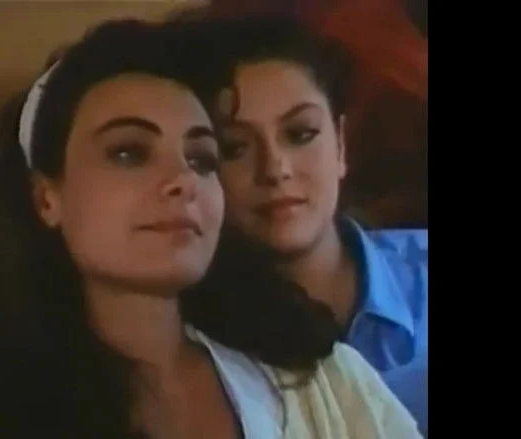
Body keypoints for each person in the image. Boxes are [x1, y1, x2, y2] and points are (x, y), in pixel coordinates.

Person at [0, 19, 420, 438]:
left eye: (201, 159)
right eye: (129, 152)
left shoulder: (320, 378)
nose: (182, 181)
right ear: (46, 196)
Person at [183, 17, 428, 435]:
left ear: (341, 145)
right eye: (235, 147)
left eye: (300, 134)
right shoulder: (195, 353)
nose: (275, 169)